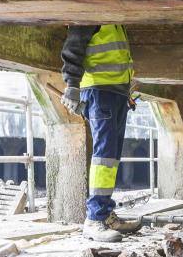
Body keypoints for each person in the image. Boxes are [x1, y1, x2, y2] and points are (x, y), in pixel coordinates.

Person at [60, 24, 142, 242]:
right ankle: (94, 219)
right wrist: (72, 85)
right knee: (104, 157)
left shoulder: (116, 22)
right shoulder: (92, 16)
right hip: (99, 90)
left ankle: (105, 214)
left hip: (116, 92)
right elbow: (73, 48)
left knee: (111, 157)